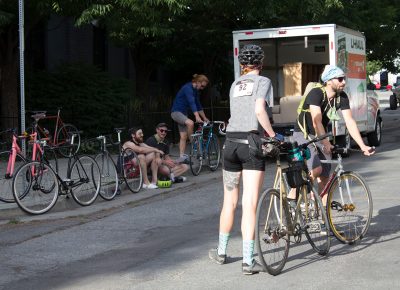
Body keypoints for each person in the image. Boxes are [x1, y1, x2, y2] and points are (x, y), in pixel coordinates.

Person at [208, 44, 283, 275]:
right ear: (261, 63)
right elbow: (260, 109)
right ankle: (248, 261)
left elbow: (235, 114)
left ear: (243, 64)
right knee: (249, 204)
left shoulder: (235, 84)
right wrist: (272, 135)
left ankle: (221, 252)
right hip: (250, 145)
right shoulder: (263, 81)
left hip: (230, 144)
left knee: (229, 201)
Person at [292, 65, 375, 203]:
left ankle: (324, 217)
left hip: (321, 134)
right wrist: (326, 143)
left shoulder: (341, 97)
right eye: (340, 79)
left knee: (325, 176)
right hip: (303, 133)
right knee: (316, 169)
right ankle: (293, 196)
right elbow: (316, 121)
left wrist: (362, 145)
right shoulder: (316, 93)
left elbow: (349, 121)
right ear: (329, 80)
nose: (344, 82)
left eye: (344, 79)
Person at [171, 74, 210, 163]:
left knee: (183, 136)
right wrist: (196, 116)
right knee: (190, 123)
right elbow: (191, 102)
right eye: (202, 86)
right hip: (176, 112)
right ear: (198, 82)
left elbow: (198, 105)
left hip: (183, 114)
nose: (202, 88)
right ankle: (193, 141)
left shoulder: (195, 91)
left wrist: (204, 117)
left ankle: (182, 157)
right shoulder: (187, 88)